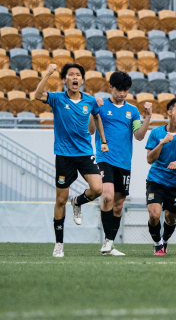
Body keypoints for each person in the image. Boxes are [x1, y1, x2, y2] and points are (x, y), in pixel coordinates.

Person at [34, 63, 108, 258]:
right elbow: (37, 95)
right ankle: (59, 244)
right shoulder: (57, 99)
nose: (75, 78)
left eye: (78, 75)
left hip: (85, 153)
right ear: (65, 80)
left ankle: (78, 201)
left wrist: (104, 141)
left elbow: (97, 117)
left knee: (98, 189)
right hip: (64, 156)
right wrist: (48, 73)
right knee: (60, 199)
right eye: (71, 75)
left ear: (82, 80)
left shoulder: (90, 101)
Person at [88, 71, 152, 256]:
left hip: (124, 163)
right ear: (111, 88)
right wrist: (93, 111)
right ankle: (106, 243)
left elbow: (139, 136)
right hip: (104, 158)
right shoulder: (101, 106)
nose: (123, 93)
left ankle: (109, 243)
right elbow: (92, 131)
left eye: (126, 90)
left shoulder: (131, 111)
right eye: (119, 90)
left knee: (118, 205)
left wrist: (148, 117)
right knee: (106, 196)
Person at [145, 97, 176, 255]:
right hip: (156, 180)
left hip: (175, 183)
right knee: (154, 215)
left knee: (170, 219)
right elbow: (149, 159)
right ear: (169, 112)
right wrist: (161, 143)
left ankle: (165, 240)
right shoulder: (156, 133)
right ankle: (158, 243)